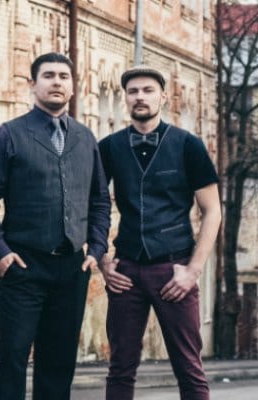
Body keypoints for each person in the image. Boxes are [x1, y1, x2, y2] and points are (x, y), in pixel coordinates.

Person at [0, 52, 111, 400]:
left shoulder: (85, 138)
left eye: (63, 76)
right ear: (32, 84)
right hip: (23, 265)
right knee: (12, 358)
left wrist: (96, 249)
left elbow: (100, 200)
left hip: (72, 268)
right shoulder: (9, 135)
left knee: (58, 363)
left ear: (72, 86)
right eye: (48, 75)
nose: (57, 82)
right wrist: (0, 251)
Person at [98, 65, 221, 400]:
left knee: (189, 368)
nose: (140, 96)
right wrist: (103, 260)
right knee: (120, 369)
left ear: (163, 97)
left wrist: (193, 270)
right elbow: (91, 206)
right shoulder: (109, 147)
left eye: (148, 90)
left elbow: (212, 211)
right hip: (126, 271)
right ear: (125, 98)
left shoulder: (188, 145)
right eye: (133, 91)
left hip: (173, 268)